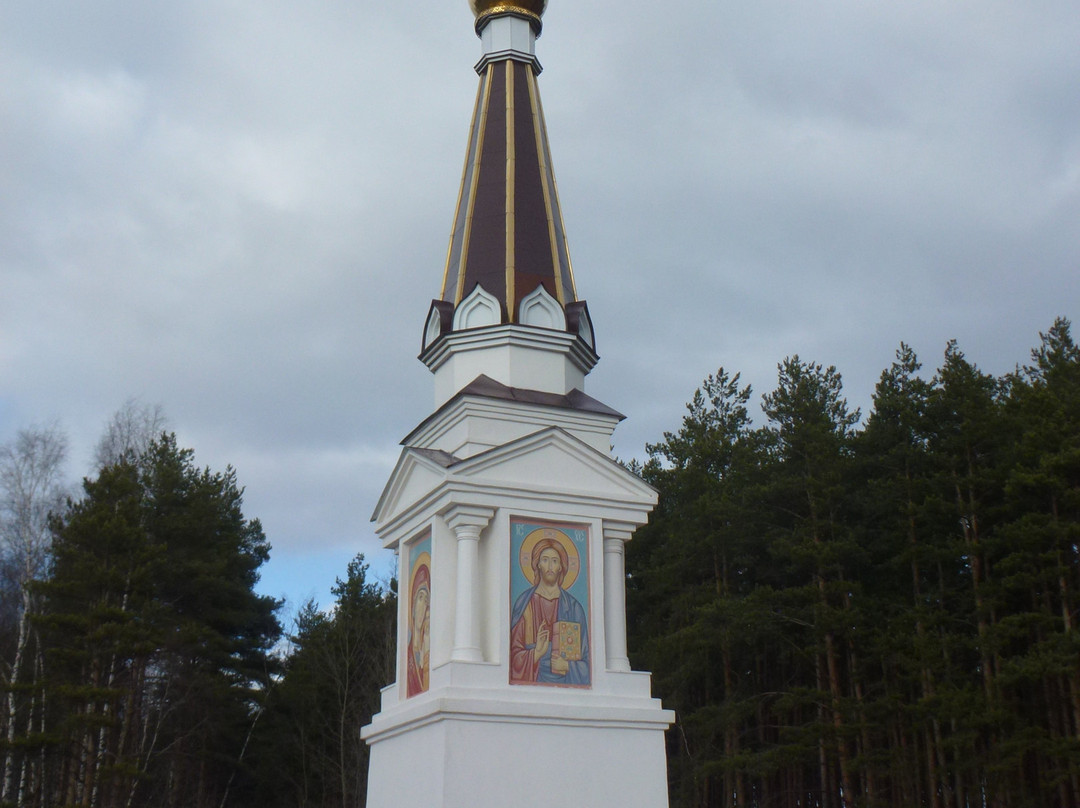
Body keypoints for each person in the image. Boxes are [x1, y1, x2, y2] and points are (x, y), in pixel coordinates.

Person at [510, 537, 589, 685]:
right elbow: (513, 656)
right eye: (545, 560)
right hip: (534, 678)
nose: (550, 566)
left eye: (555, 561)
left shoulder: (574, 608)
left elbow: (587, 660)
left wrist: (567, 666)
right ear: (537, 564)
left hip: (565, 680)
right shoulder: (525, 604)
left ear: (561, 566)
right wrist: (536, 653)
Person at [406, 562, 430, 697]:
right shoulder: (410, 655)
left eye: (427, 599)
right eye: (421, 598)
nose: (424, 605)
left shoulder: (426, 650)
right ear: (413, 604)